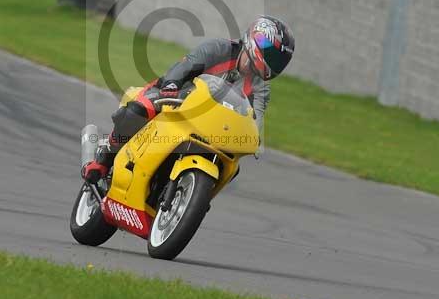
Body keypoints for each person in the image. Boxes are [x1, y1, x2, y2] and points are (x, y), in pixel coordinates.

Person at [82, 16, 296, 183]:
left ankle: (191, 199)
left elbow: (255, 119)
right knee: (138, 110)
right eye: (271, 54)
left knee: (233, 166)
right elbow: (187, 65)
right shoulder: (220, 49)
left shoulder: (260, 88)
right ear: (256, 39)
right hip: (175, 96)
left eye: (278, 60)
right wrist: (172, 84)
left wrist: (254, 140)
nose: (272, 62)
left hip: (210, 124)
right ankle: (103, 160)